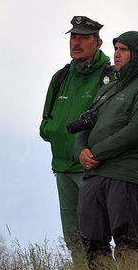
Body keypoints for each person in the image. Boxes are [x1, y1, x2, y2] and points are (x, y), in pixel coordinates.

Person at [73, 31, 138, 270]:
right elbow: (86, 122)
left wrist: (96, 152)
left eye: (123, 50)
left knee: (126, 242)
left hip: (125, 174)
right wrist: (81, 150)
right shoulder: (108, 89)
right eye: (116, 48)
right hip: (94, 175)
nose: (116, 54)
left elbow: (136, 130)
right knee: (92, 243)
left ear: (137, 55)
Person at [40, 16, 113, 257]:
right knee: (73, 239)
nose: (77, 42)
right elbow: (46, 120)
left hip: (91, 170)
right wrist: (50, 131)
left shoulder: (108, 76)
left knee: (95, 237)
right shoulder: (60, 77)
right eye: (73, 37)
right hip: (62, 168)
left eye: (84, 37)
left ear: (98, 42)